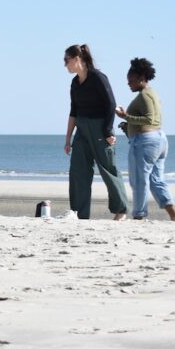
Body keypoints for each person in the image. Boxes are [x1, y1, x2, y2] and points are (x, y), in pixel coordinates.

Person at [63, 44, 129, 220]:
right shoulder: (74, 83)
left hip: (100, 128)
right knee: (78, 171)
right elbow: (73, 111)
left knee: (108, 169)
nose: (64, 65)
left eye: (66, 60)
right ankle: (79, 213)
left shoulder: (98, 77)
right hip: (82, 130)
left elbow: (110, 104)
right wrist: (68, 138)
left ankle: (120, 210)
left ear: (77, 59)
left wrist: (108, 131)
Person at [115, 57, 175, 221]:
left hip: (146, 142)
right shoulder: (152, 94)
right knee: (156, 180)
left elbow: (149, 120)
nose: (128, 83)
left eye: (130, 80)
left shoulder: (145, 96)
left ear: (141, 78)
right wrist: (127, 126)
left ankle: (139, 215)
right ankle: (174, 216)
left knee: (139, 181)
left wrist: (126, 116)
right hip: (158, 140)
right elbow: (150, 121)